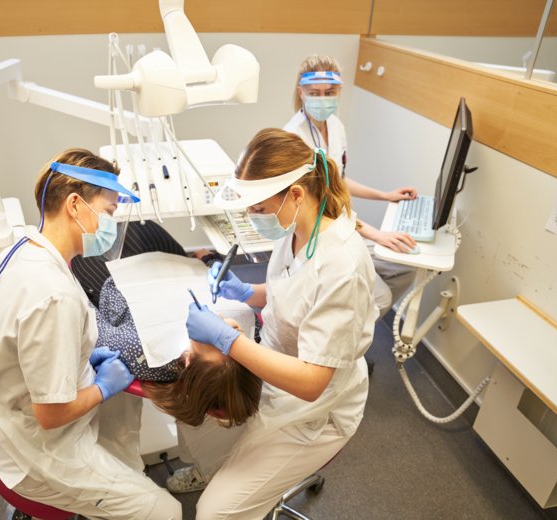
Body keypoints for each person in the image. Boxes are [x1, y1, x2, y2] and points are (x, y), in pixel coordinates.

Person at [181, 128, 377, 519]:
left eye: (258, 209)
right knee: (196, 412)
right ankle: (216, 469)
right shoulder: (297, 230)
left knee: (214, 513)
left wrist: (230, 342)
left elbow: (312, 383)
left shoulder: (342, 265)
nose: (252, 218)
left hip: (315, 409)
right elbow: (292, 292)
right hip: (275, 367)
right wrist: (246, 292)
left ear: (296, 194)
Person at [0, 149, 181, 519]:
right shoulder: (54, 296)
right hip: (40, 447)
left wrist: (84, 357)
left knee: (125, 409)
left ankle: (122, 477)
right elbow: (51, 415)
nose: (112, 224)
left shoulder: (22, 248)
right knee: (163, 511)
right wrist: (102, 388)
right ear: (74, 205)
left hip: (5, 414)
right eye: (109, 211)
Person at [284, 55, 418, 317]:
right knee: (379, 297)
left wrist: (384, 195)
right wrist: (375, 234)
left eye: (329, 92)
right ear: (301, 92)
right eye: (314, 93)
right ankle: (344, 328)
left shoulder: (335, 126)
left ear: (339, 92)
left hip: (342, 225)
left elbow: (339, 180)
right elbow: (321, 206)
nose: (322, 99)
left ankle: (348, 319)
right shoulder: (293, 138)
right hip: (316, 233)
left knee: (405, 268)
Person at [95, 277, 262, 427]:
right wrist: (210, 261)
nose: (218, 317)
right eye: (235, 331)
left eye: (214, 338)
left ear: (189, 359)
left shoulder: (138, 352)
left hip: (119, 279)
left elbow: (86, 322)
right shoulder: (251, 326)